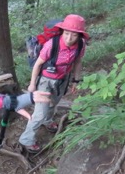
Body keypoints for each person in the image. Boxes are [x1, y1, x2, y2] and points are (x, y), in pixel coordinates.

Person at [19, 14, 90, 154]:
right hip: (45, 80)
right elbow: (38, 64)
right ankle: (26, 140)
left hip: (63, 78)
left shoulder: (80, 45)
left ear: (80, 36)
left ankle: (48, 120)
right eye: (67, 33)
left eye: (74, 35)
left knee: (53, 103)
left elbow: (77, 62)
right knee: (39, 112)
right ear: (62, 31)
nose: (69, 38)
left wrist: (75, 80)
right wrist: (32, 85)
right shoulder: (53, 44)